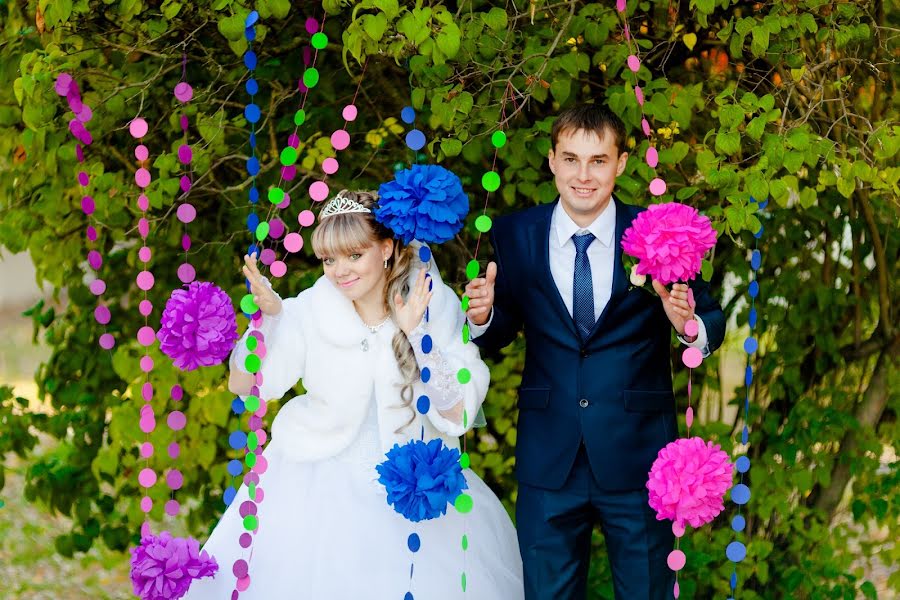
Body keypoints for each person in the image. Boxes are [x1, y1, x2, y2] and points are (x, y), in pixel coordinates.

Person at [185, 191, 523, 599]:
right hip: (314, 484)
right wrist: (269, 321)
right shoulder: (309, 308)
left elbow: (458, 415)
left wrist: (417, 334)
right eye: (329, 260)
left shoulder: (433, 303)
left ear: (385, 249)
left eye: (353, 256)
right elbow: (246, 386)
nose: (340, 271)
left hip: (412, 487)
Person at [464, 104, 726, 600]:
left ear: (621, 164)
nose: (583, 176)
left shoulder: (658, 233)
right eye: (571, 159)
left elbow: (710, 318)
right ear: (552, 161)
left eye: (598, 161)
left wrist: (688, 324)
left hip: (641, 456)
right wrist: (483, 319)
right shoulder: (514, 235)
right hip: (549, 456)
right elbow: (503, 331)